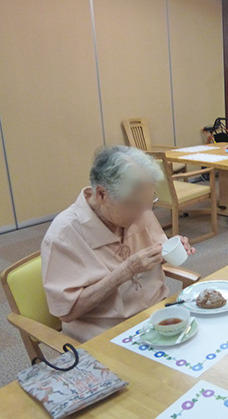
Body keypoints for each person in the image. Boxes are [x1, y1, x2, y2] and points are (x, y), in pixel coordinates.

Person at [41, 146, 196, 342]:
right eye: (134, 204)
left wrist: (172, 249)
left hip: (158, 316)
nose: (145, 212)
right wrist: (126, 271)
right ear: (101, 195)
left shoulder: (141, 210)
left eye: (150, 201)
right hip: (109, 335)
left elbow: (159, 249)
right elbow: (67, 312)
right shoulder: (64, 235)